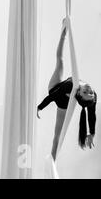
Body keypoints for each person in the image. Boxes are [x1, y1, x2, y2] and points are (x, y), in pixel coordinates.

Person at [37, 21, 97, 159]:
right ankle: (63, 34)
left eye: (85, 92)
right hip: (61, 88)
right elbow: (92, 114)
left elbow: (53, 97)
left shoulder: (71, 87)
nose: (89, 90)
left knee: (58, 135)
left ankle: (52, 159)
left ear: (78, 93)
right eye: (90, 93)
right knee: (60, 61)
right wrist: (92, 133)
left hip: (56, 93)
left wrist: (39, 107)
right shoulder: (93, 95)